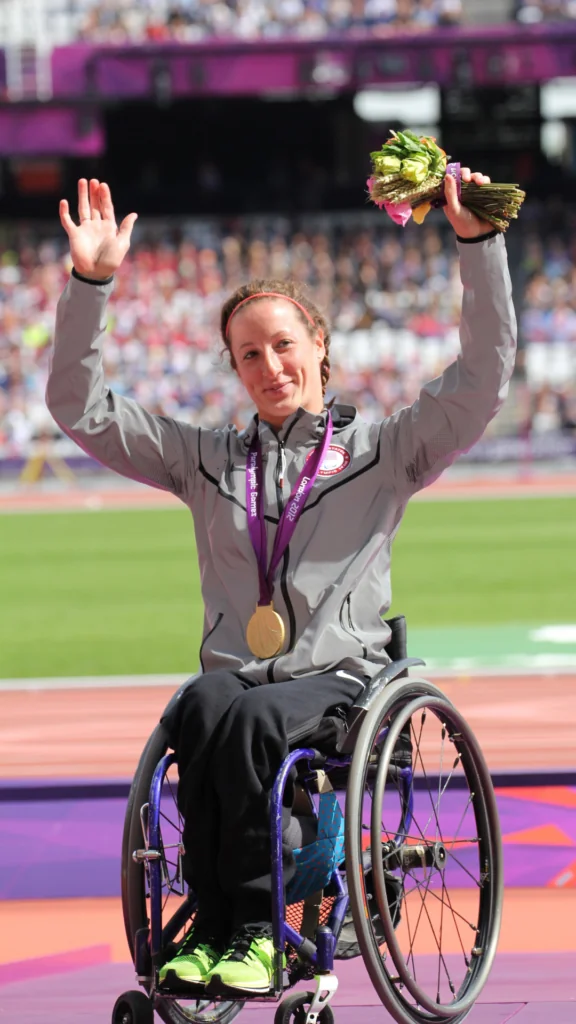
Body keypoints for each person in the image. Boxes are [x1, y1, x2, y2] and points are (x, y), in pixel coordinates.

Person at [45, 173, 516, 995]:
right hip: (238, 686)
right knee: (200, 703)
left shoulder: (383, 449)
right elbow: (78, 408)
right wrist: (91, 285)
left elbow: (481, 379)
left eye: (285, 344)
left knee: (252, 711)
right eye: (250, 354)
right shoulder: (206, 460)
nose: (271, 365)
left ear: (321, 344)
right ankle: (216, 930)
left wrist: (479, 246)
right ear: (232, 367)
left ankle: (260, 933)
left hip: (343, 682)